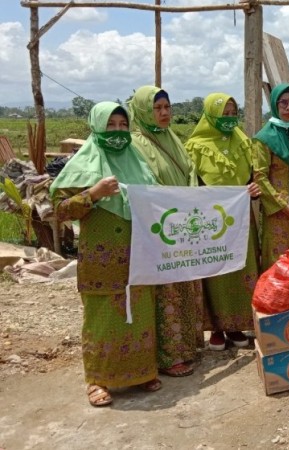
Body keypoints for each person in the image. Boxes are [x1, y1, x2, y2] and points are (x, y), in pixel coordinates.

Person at [50, 102, 161, 406]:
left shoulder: (138, 163)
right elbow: (59, 211)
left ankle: (141, 372)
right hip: (101, 258)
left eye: (123, 125)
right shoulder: (83, 164)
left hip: (138, 254)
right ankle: (97, 380)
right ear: (97, 126)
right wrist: (93, 194)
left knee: (139, 313)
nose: (117, 131)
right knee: (102, 318)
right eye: (110, 125)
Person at [129, 85, 204, 376]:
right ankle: (168, 356)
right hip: (160, 226)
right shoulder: (136, 143)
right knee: (166, 292)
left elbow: (189, 172)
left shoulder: (172, 138)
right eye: (157, 108)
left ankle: (187, 347)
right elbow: (142, 182)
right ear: (145, 111)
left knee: (185, 284)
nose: (163, 113)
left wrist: (190, 197)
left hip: (183, 222)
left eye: (167, 107)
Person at [184, 93, 261, 351]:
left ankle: (236, 325)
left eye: (232, 113)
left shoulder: (243, 142)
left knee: (241, 269)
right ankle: (216, 327)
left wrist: (253, 188)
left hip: (241, 217)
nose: (229, 119)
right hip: (210, 220)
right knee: (215, 270)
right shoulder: (196, 146)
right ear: (210, 115)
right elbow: (191, 183)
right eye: (223, 114)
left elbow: (253, 177)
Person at [252, 83, 289, 271]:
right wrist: (285, 207)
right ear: (275, 105)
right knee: (280, 261)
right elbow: (260, 177)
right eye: (283, 103)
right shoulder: (264, 138)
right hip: (279, 213)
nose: (288, 108)